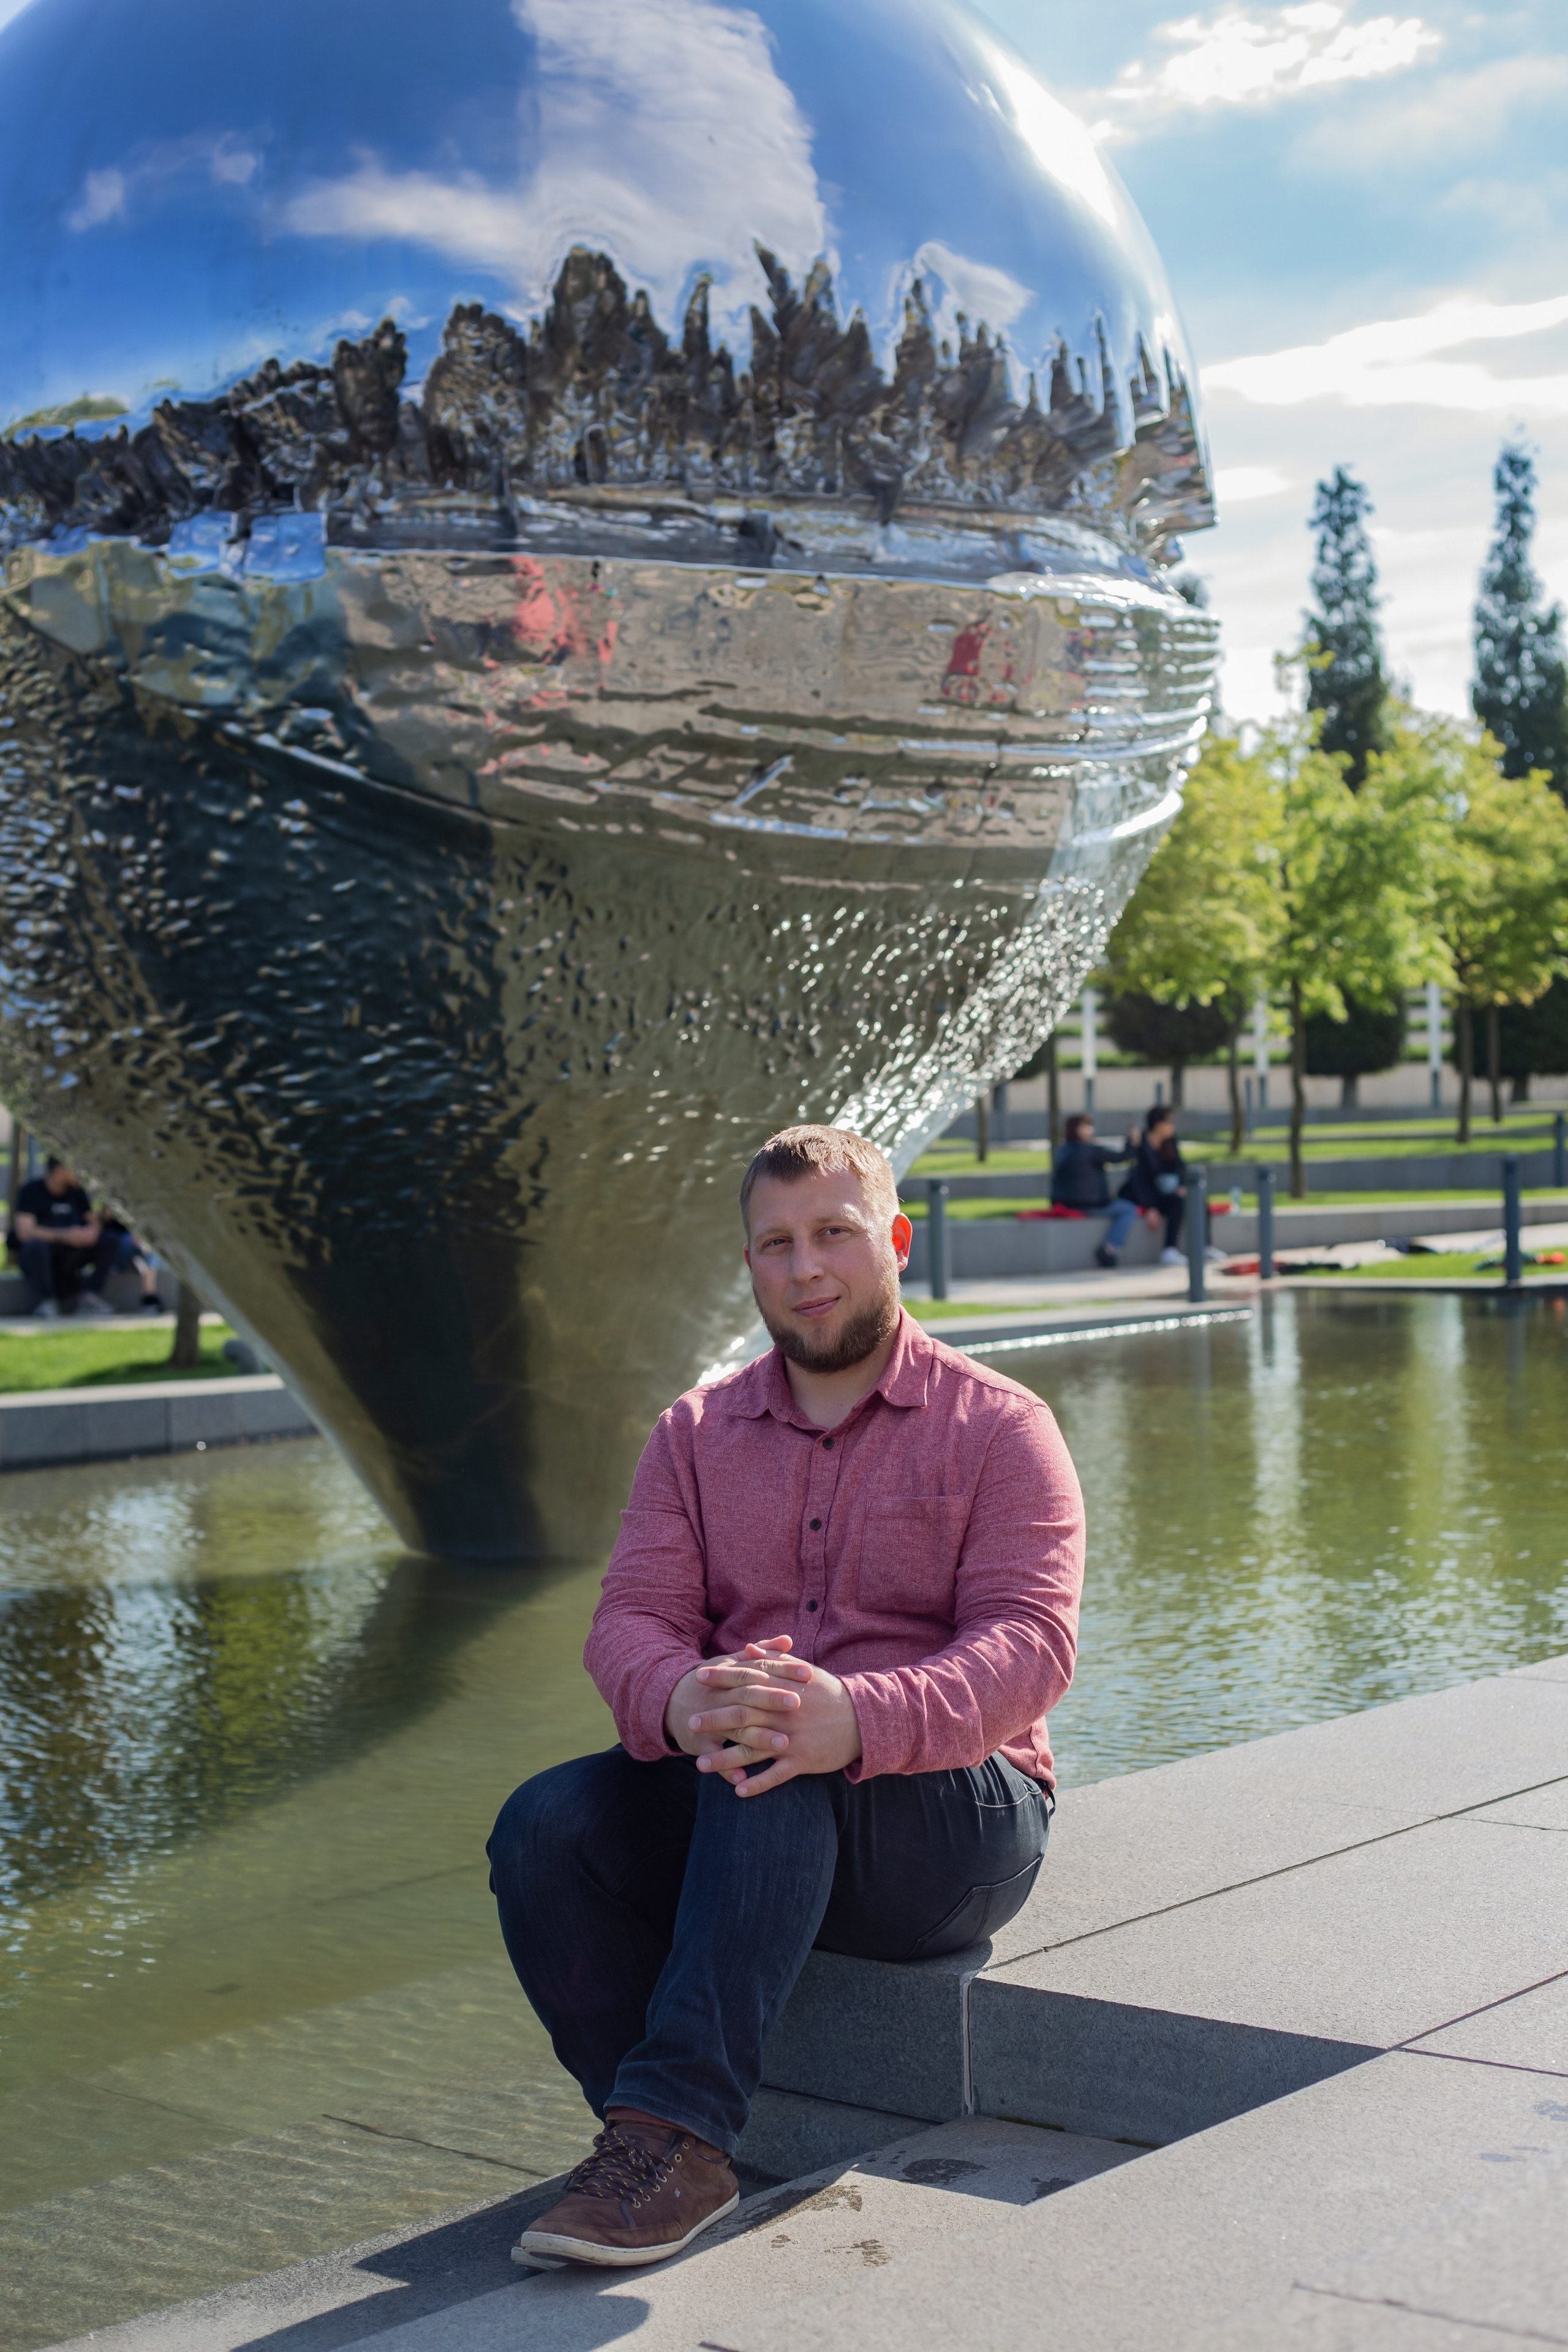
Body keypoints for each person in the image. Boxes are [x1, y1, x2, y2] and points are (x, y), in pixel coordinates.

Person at [487, 1125, 1084, 2271]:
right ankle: (648, 2138)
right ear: (750, 1264)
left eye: (833, 1235)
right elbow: (630, 1625)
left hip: (957, 1824)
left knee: (777, 1750)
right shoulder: (694, 1433)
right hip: (752, 1798)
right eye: (775, 1244)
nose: (805, 1269)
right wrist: (679, 1699)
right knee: (546, 1828)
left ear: (896, 1242)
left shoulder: (1002, 1425)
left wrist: (854, 1717)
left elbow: (1031, 1648)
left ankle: (684, 2142)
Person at [12, 1158, 114, 1317]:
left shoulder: (76, 1192)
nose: (79, 1173)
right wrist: (64, 1236)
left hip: (73, 1252)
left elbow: (93, 1222)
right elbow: (25, 1232)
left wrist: (90, 1233)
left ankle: (90, 1298)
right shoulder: (31, 1191)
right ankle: (46, 1302)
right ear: (58, 1172)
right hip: (46, 1252)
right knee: (35, 1247)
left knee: (110, 1240)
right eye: (73, 1168)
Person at [1098, 1104, 1187, 1267]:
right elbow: (1139, 1179)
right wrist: (1150, 1207)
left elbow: (1181, 1167)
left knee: (1193, 1199)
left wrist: (1181, 1185)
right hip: (1140, 1195)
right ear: (1158, 1124)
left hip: (1163, 1192)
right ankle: (1169, 1251)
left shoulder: (1170, 1143)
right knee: (1176, 1202)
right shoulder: (1140, 1143)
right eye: (1170, 1121)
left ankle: (1204, 1246)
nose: (1173, 1125)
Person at [1051, 1113, 1137, 1218]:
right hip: (1089, 1205)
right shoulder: (1090, 1151)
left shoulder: (1063, 1150)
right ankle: (1113, 1236)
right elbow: (1123, 1157)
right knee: (1129, 1210)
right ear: (1077, 1129)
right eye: (1086, 1127)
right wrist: (1132, 1141)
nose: (1091, 1130)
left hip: (1065, 1204)